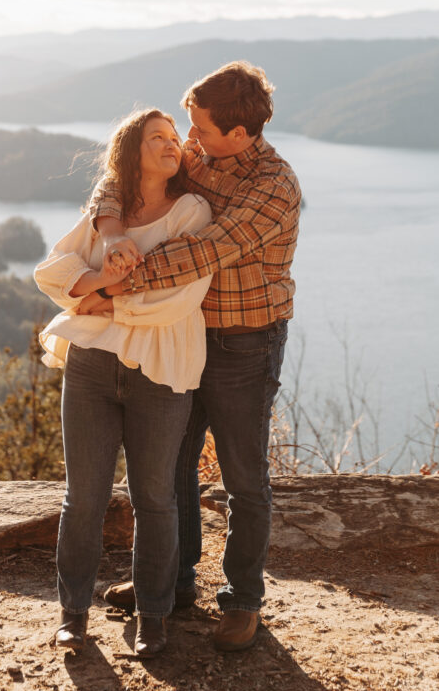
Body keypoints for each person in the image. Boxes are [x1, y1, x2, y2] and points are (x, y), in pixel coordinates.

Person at [88, 61, 301, 652]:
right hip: (182, 336)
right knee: (169, 467)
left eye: (200, 130)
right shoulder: (201, 152)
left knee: (242, 475)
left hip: (245, 344)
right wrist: (110, 236)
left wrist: (115, 282)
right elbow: (122, 177)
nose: (189, 142)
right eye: (189, 129)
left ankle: (242, 601)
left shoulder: (274, 186)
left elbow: (203, 251)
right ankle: (172, 582)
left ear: (240, 133)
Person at [34, 108, 212, 657]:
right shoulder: (104, 214)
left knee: (154, 496)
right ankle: (73, 614)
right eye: (157, 137)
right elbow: (51, 270)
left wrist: (100, 299)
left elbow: (180, 298)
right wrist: (95, 281)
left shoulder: (190, 211)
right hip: (90, 366)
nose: (172, 144)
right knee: (82, 497)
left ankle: (153, 617)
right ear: (130, 150)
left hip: (159, 370)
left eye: (175, 138)